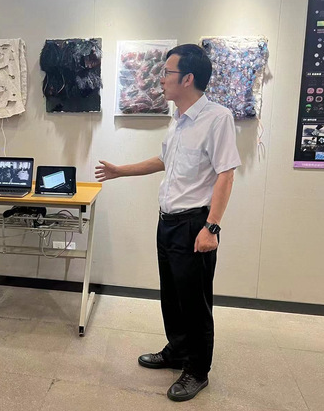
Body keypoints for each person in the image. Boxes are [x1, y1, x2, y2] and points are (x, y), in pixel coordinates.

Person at [95, 44, 241, 401]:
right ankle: (177, 351)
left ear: (188, 78)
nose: (160, 79)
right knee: (172, 296)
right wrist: (119, 171)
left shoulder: (217, 118)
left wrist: (212, 227)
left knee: (195, 302)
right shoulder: (178, 119)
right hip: (168, 222)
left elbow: (226, 174)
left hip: (195, 225)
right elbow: (164, 161)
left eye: (167, 73)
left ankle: (198, 370)